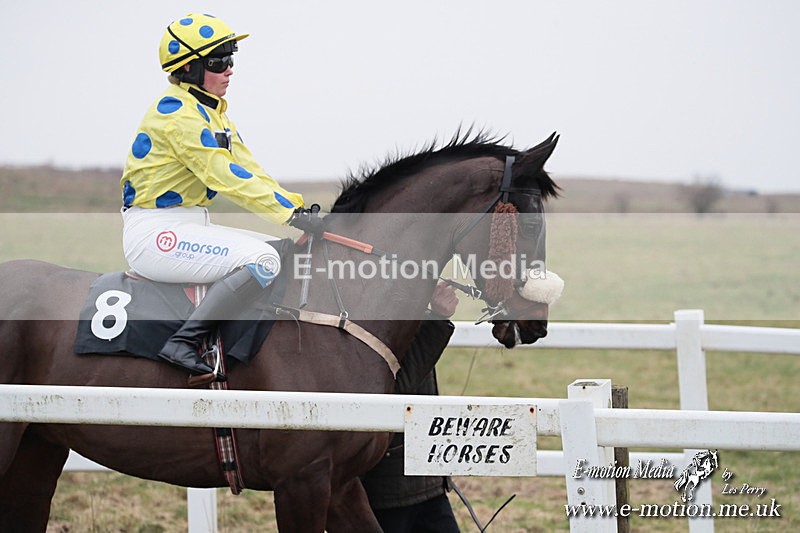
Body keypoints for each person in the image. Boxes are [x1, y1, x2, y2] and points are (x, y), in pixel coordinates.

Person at [119, 13, 321, 380]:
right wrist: (289, 215)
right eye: (219, 62)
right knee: (264, 260)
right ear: (191, 69)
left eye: (231, 60)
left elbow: (249, 169)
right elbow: (225, 176)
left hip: (190, 225)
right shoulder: (179, 116)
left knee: (280, 252)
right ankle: (183, 342)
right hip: (154, 236)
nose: (229, 70)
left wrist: (297, 208)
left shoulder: (213, 113)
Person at [362, 282, 461, 532]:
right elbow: (394, 391)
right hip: (390, 490)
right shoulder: (371, 321)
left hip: (423, 483)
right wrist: (437, 319)